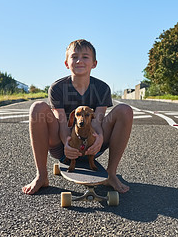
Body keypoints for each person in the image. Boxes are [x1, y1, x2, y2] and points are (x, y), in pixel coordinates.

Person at [22, 39, 133, 195]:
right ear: (67, 63)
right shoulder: (57, 88)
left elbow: (97, 120)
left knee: (125, 110)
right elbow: (61, 123)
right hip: (63, 146)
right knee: (37, 108)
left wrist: (100, 137)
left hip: (92, 145)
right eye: (74, 57)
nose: (79, 60)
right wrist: (67, 144)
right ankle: (41, 176)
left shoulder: (102, 88)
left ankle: (111, 174)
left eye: (85, 57)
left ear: (94, 63)